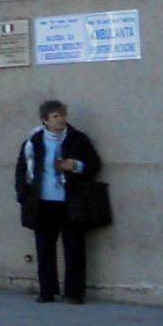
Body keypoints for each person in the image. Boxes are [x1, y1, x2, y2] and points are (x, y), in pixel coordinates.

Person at [13, 98, 101, 304]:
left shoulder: (77, 139)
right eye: (55, 116)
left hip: (70, 201)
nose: (61, 119)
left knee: (74, 247)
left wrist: (76, 166)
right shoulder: (33, 142)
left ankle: (74, 292)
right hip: (42, 202)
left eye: (62, 115)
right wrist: (23, 197)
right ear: (45, 120)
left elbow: (95, 165)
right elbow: (22, 171)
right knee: (44, 248)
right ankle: (47, 291)